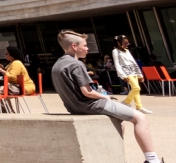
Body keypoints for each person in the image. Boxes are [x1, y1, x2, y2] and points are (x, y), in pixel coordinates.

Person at [53, 30, 163, 163]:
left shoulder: (58, 65)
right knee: (140, 118)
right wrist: (106, 97)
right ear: (74, 47)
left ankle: (115, 156)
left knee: (119, 122)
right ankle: (152, 160)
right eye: (85, 45)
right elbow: (87, 92)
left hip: (74, 107)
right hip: (91, 105)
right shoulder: (76, 64)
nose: (87, 48)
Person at [112, 35, 149, 114]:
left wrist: (139, 74)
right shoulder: (115, 51)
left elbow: (133, 62)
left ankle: (139, 107)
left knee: (136, 90)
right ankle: (126, 102)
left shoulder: (127, 51)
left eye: (127, 43)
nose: (126, 45)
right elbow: (117, 64)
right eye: (125, 43)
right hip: (126, 72)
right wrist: (122, 75)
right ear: (118, 42)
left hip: (133, 71)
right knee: (136, 88)